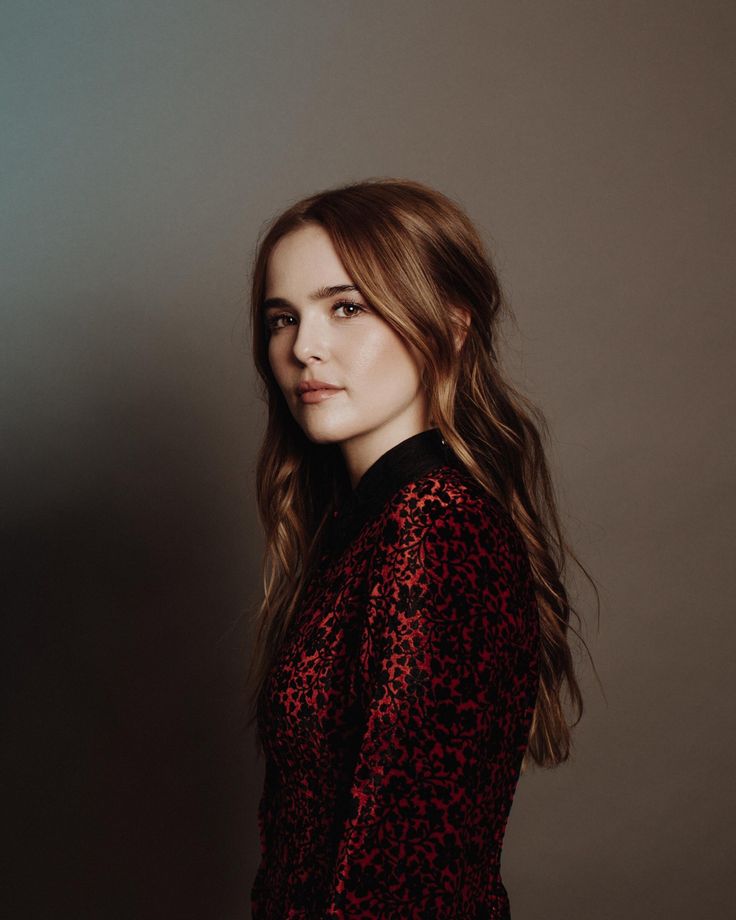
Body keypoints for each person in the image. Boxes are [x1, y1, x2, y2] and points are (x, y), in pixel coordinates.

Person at [244, 178, 596, 918]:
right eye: (283, 318)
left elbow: (401, 874)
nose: (304, 347)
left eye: (346, 307)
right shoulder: (368, 528)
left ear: (451, 324)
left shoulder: (436, 533)